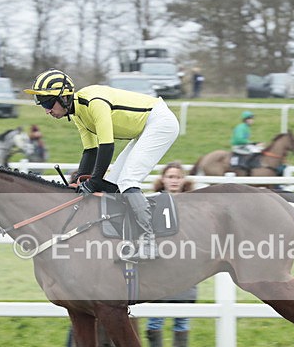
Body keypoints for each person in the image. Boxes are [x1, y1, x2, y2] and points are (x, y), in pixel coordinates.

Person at [24, 68, 180, 261]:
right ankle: (128, 239)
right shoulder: (77, 114)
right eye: (43, 105)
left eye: (48, 103)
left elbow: (107, 146)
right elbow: (91, 152)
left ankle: (149, 241)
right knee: (113, 184)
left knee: (128, 180)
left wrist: (94, 182)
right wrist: (78, 182)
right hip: (145, 127)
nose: (47, 110)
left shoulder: (93, 102)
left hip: (160, 122)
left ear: (64, 97)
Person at [145, 162, 197, 347]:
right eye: (170, 176)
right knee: (155, 319)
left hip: (185, 268)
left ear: (183, 180)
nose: (174, 180)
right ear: (163, 179)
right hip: (159, 268)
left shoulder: (193, 205)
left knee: (181, 319)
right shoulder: (151, 203)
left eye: (178, 177)